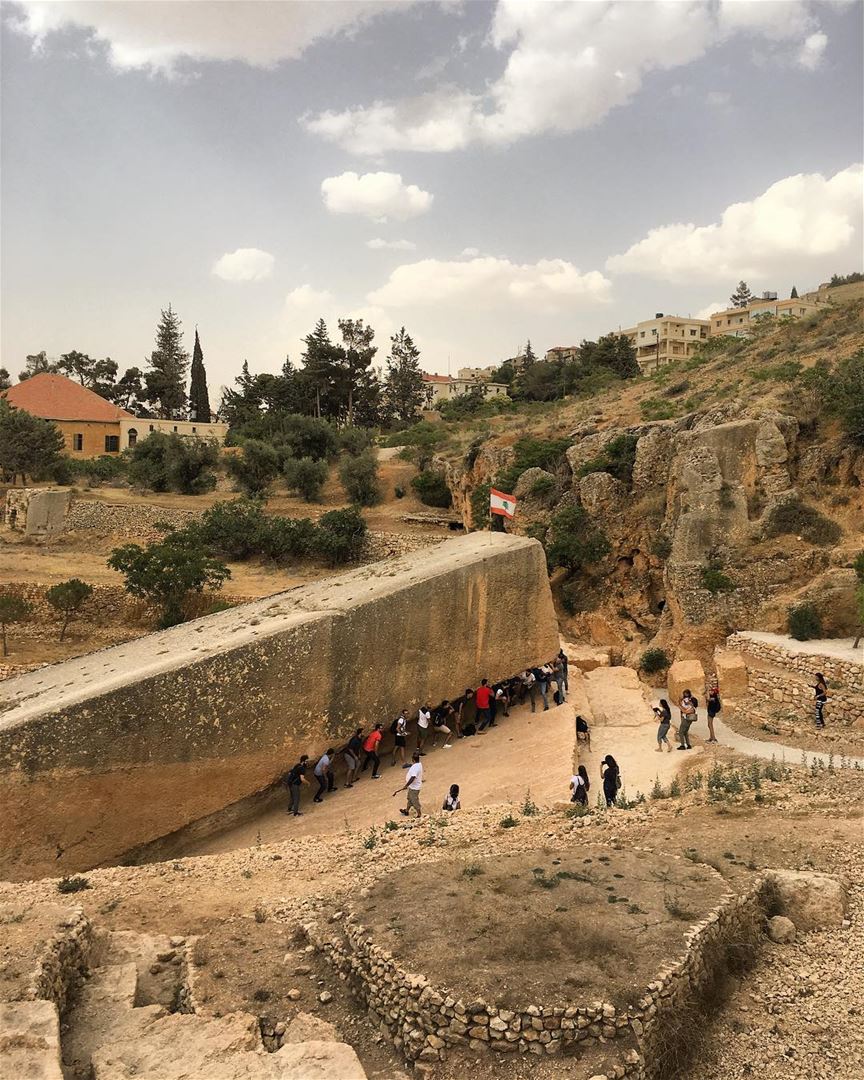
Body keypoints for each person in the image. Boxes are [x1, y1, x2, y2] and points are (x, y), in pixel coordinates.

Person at [394, 750, 423, 817]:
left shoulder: (415, 767)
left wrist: (406, 785)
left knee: (414, 800)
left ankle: (419, 814)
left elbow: (413, 777)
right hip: (413, 786)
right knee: (410, 799)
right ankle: (406, 811)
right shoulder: (419, 764)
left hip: (414, 787)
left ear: (413, 759)